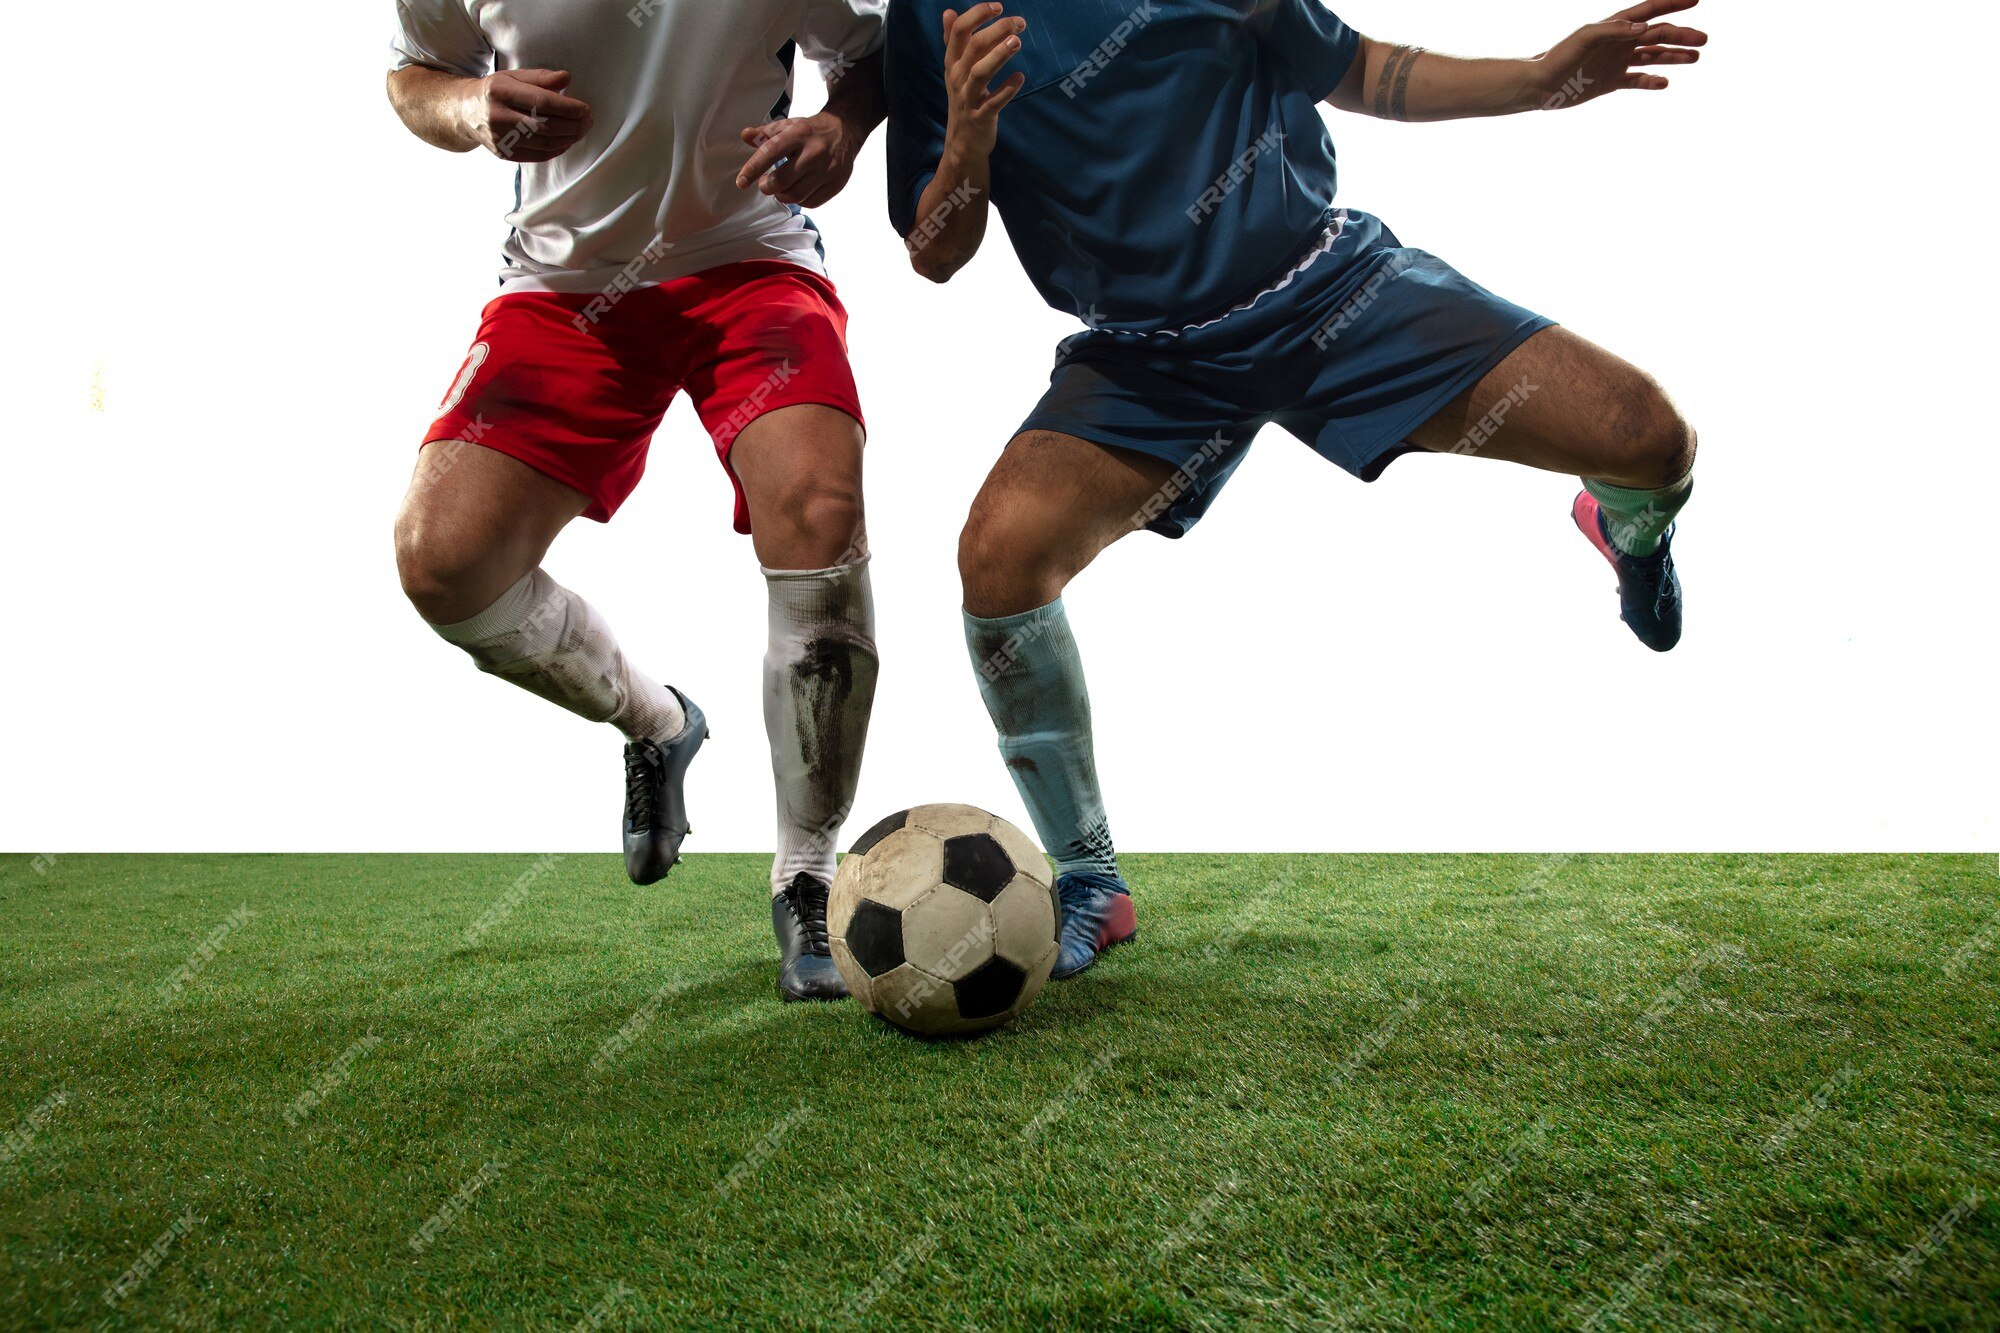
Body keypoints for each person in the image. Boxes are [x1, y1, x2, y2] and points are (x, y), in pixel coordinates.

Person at [885, 0, 1707, 977]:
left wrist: (1540, 75)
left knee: (1648, 438)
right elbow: (935, 249)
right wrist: (969, 140)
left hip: (1326, 290)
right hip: (1146, 360)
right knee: (998, 560)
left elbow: (1356, 69)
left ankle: (1629, 534)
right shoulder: (929, 11)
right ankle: (1088, 879)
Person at [388, 0, 890, 1001]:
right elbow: (417, 77)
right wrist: (474, 106)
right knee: (441, 562)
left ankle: (806, 879)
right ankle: (658, 723)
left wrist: (841, 126)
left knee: (819, 511)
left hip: (748, 261)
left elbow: (873, 56)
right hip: (563, 284)